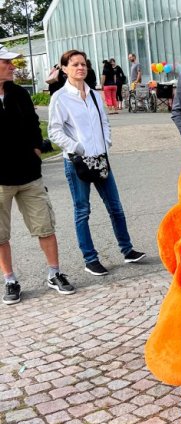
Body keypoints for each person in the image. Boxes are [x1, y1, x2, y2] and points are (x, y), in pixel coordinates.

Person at [48, 49, 146, 277]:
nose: (80, 68)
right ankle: (90, 259)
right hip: (77, 162)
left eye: (83, 64)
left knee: (116, 207)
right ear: (64, 69)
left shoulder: (93, 94)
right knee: (83, 210)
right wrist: (77, 147)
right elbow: (54, 131)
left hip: (100, 159)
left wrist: (106, 142)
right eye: (74, 64)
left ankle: (127, 249)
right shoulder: (60, 98)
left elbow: (104, 122)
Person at [0, 45, 75, 305]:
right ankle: (10, 280)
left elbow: (33, 124)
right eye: (7, 62)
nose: (13, 66)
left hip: (29, 175)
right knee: (0, 235)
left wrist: (35, 151)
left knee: (45, 227)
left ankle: (54, 273)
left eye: (13, 62)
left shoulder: (19, 93)